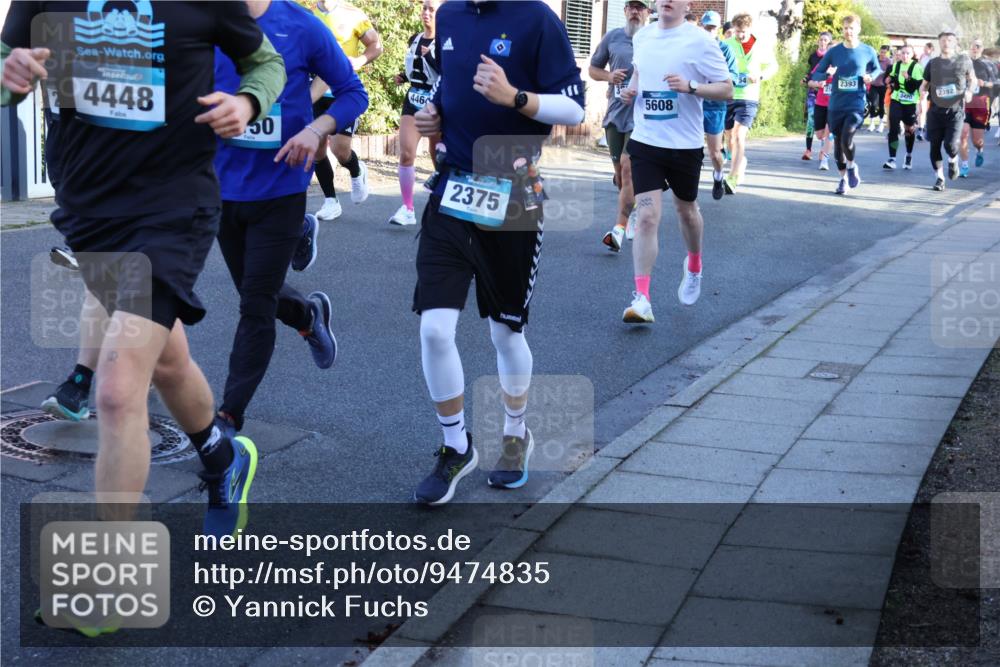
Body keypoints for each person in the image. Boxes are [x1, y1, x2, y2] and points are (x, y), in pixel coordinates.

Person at [2, 1, 286, 543]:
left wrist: (248, 102)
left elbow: (266, 63)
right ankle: (222, 455)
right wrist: (8, 77)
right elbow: (5, 65)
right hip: (89, 212)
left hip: (171, 211)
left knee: (115, 390)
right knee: (169, 362)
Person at [410, 0, 585, 505]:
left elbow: (572, 107)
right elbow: (449, 83)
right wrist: (433, 115)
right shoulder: (449, 15)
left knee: (505, 331)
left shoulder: (538, 19)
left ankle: (515, 434)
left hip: (514, 190)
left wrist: (518, 98)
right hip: (453, 190)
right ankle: (454, 445)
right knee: (435, 328)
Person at [212, 0, 368, 438]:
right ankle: (308, 316)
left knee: (254, 304)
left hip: (281, 189)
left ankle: (228, 417)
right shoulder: (204, 18)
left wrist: (317, 128)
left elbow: (355, 92)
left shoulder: (303, 25)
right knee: (253, 288)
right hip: (223, 190)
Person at [618, 0, 733, 323]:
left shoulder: (701, 41)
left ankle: (694, 264)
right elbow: (640, 76)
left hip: (684, 145)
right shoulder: (642, 37)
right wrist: (630, 91)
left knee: (687, 211)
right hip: (647, 141)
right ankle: (642, 298)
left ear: (687, 4)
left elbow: (727, 89)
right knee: (647, 217)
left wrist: (691, 87)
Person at [296, 0, 382, 227]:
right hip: (314, 93)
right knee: (316, 149)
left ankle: (356, 169)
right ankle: (331, 200)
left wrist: (361, 60)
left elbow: (376, 45)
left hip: (343, 92)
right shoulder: (309, 15)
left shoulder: (353, 14)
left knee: (340, 150)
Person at [592, 0, 651, 252]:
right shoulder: (613, 37)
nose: (636, 11)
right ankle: (633, 207)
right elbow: (593, 68)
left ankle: (618, 228)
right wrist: (609, 76)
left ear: (648, 12)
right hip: (616, 114)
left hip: (642, 116)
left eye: (641, 7)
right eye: (632, 7)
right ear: (625, 11)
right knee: (619, 174)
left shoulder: (654, 38)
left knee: (628, 169)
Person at [810, 14, 881, 195]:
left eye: (851, 28)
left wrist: (870, 77)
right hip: (835, 105)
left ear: (858, 29)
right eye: (845, 28)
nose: (848, 31)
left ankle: (851, 167)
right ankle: (843, 179)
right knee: (838, 146)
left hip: (856, 104)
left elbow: (877, 68)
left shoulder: (867, 51)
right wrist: (827, 74)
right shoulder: (834, 52)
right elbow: (816, 74)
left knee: (846, 138)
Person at [389, 0, 441, 226]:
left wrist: (430, 56)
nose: (426, 13)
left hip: (437, 101)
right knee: (407, 153)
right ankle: (407, 208)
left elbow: (448, 72)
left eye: (432, 9)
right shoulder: (415, 39)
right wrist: (403, 76)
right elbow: (416, 68)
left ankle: (443, 199)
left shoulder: (447, 42)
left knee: (438, 154)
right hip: (413, 100)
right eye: (425, 8)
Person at [721, 13, 776, 194]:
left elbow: (773, 66)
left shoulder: (759, 45)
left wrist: (760, 76)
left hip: (749, 96)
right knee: (729, 137)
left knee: (738, 135)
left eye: (743, 32)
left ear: (750, 29)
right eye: (737, 31)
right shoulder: (727, 44)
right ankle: (740, 160)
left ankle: (733, 177)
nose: (740, 35)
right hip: (729, 95)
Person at [921, 30, 976, 191]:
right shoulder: (933, 63)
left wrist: (970, 91)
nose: (946, 43)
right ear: (939, 42)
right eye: (943, 40)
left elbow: (972, 79)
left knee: (950, 145)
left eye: (950, 40)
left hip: (955, 111)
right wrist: (922, 93)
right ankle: (939, 178)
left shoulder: (963, 60)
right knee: (934, 146)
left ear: (955, 43)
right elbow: (924, 84)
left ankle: (953, 160)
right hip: (935, 111)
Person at [700, 10, 738, 199]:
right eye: (707, 28)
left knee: (715, 152)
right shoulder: (693, 48)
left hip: (715, 106)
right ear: (701, 27)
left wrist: (717, 82)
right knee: (690, 147)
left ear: (718, 30)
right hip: (694, 104)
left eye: (713, 28)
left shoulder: (725, 50)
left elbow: (734, 78)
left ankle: (718, 175)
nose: (709, 32)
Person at [883, 44, 923, 171]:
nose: (904, 56)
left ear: (912, 55)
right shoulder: (897, 65)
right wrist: (890, 80)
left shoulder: (916, 67)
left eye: (907, 53)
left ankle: (909, 155)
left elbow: (917, 86)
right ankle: (892, 159)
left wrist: (908, 78)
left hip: (911, 103)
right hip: (897, 99)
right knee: (893, 128)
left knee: (909, 130)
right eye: (903, 53)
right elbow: (894, 78)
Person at [959, 38, 996, 175]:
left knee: (977, 141)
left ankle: (979, 150)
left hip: (981, 104)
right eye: (973, 46)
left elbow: (996, 84)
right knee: (962, 135)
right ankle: (964, 165)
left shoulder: (988, 65)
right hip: (964, 104)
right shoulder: (963, 63)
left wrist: (984, 84)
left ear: (982, 48)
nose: (975, 48)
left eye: (978, 46)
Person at [801, 31, 832, 160]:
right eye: (821, 39)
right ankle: (808, 150)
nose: (823, 42)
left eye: (825, 40)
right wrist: (807, 79)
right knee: (811, 120)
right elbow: (812, 72)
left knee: (826, 123)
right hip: (814, 92)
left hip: (828, 94)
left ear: (829, 43)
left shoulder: (831, 57)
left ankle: (823, 150)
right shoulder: (813, 56)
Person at [808, 62, 836, 171]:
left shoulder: (843, 66)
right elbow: (810, 82)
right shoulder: (821, 66)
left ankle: (824, 160)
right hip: (820, 103)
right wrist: (818, 84)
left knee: (829, 132)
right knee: (820, 135)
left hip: (835, 105)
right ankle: (826, 144)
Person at [866, 44, 892, 132]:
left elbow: (890, 74)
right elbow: (868, 70)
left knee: (881, 105)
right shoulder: (875, 60)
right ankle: (872, 123)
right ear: (879, 51)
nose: (882, 54)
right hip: (874, 85)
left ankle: (881, 124)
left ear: (887, 53)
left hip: (883, 86)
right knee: (873, 104)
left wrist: (884, 73)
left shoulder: (889, 62)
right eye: (881, 52)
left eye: (884, 53)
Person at [917, 41, 936, 141]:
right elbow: (919, 68)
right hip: (922, 83)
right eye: (924, 48)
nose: (924, 50)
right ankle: (920, 129)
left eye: (926, 48)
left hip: (930, 85)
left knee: (928, 109)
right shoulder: (922, 57)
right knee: (921, 108)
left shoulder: (934, 60)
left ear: (931, 49)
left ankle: (927, 128)